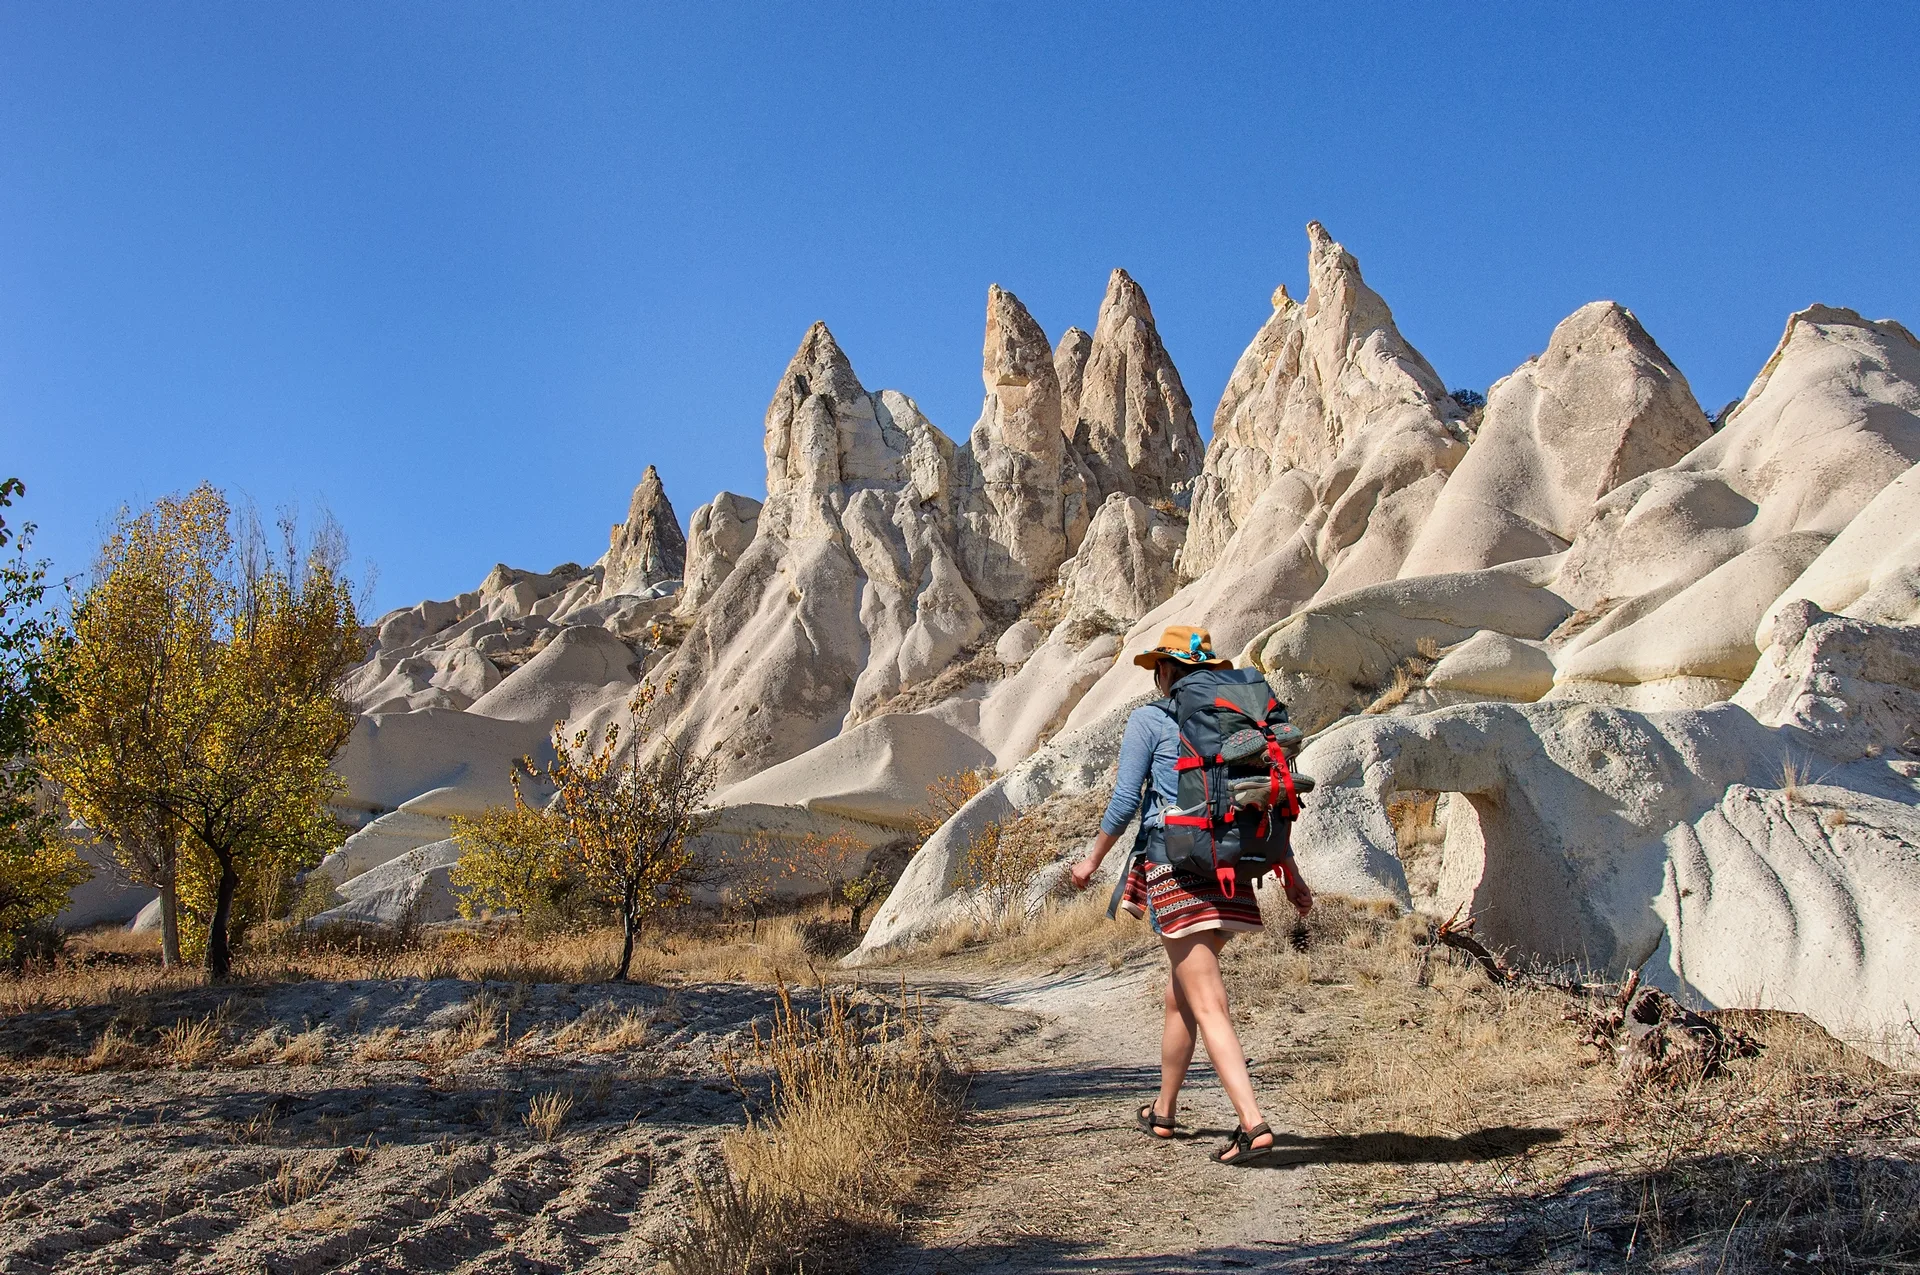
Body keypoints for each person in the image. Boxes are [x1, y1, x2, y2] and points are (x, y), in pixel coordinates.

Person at [1070, 624, 1314, 1167]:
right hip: (1230, 866)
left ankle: (1252, 1123)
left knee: (1205, 998)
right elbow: (1258, 799)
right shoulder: (1232, 725)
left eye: (1157, 668)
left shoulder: (1151, 720)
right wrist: (1289, 872)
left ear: (1165, 671)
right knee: (1181, 993)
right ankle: (1163, 1110)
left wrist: (1091, 860)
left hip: (1176, 866)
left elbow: (1126, 800)